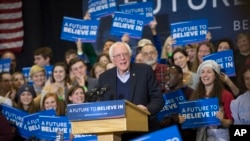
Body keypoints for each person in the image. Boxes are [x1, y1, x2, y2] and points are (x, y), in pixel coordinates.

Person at [98, 42, 164, 140]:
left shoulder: (145, 71)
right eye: (118, 55)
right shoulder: (104, 78)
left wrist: (146, 110)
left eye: (125, 54)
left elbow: (158, 100)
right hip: (118, 135)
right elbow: (103, 106)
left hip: (145, 131)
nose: (122, 58)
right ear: (112, 59)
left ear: (130, 55)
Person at [189, 60, 234, 141]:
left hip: (221, 135)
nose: (205, 75)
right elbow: (193, 126)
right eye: (202, 72)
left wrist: (222, 121)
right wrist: (186, 120)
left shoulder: (226, 95)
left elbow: (232, 122)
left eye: (209, 72)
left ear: (215, 75)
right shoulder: (195, 96)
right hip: (202, 136)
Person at [160, 64, 196, 141]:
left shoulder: (191, 93)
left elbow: (194, 119)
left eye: (169, 75)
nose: (166, 78)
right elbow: (160, 120)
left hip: (188, 137)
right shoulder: (164, 96)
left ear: (180, 75)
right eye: (165, 76)